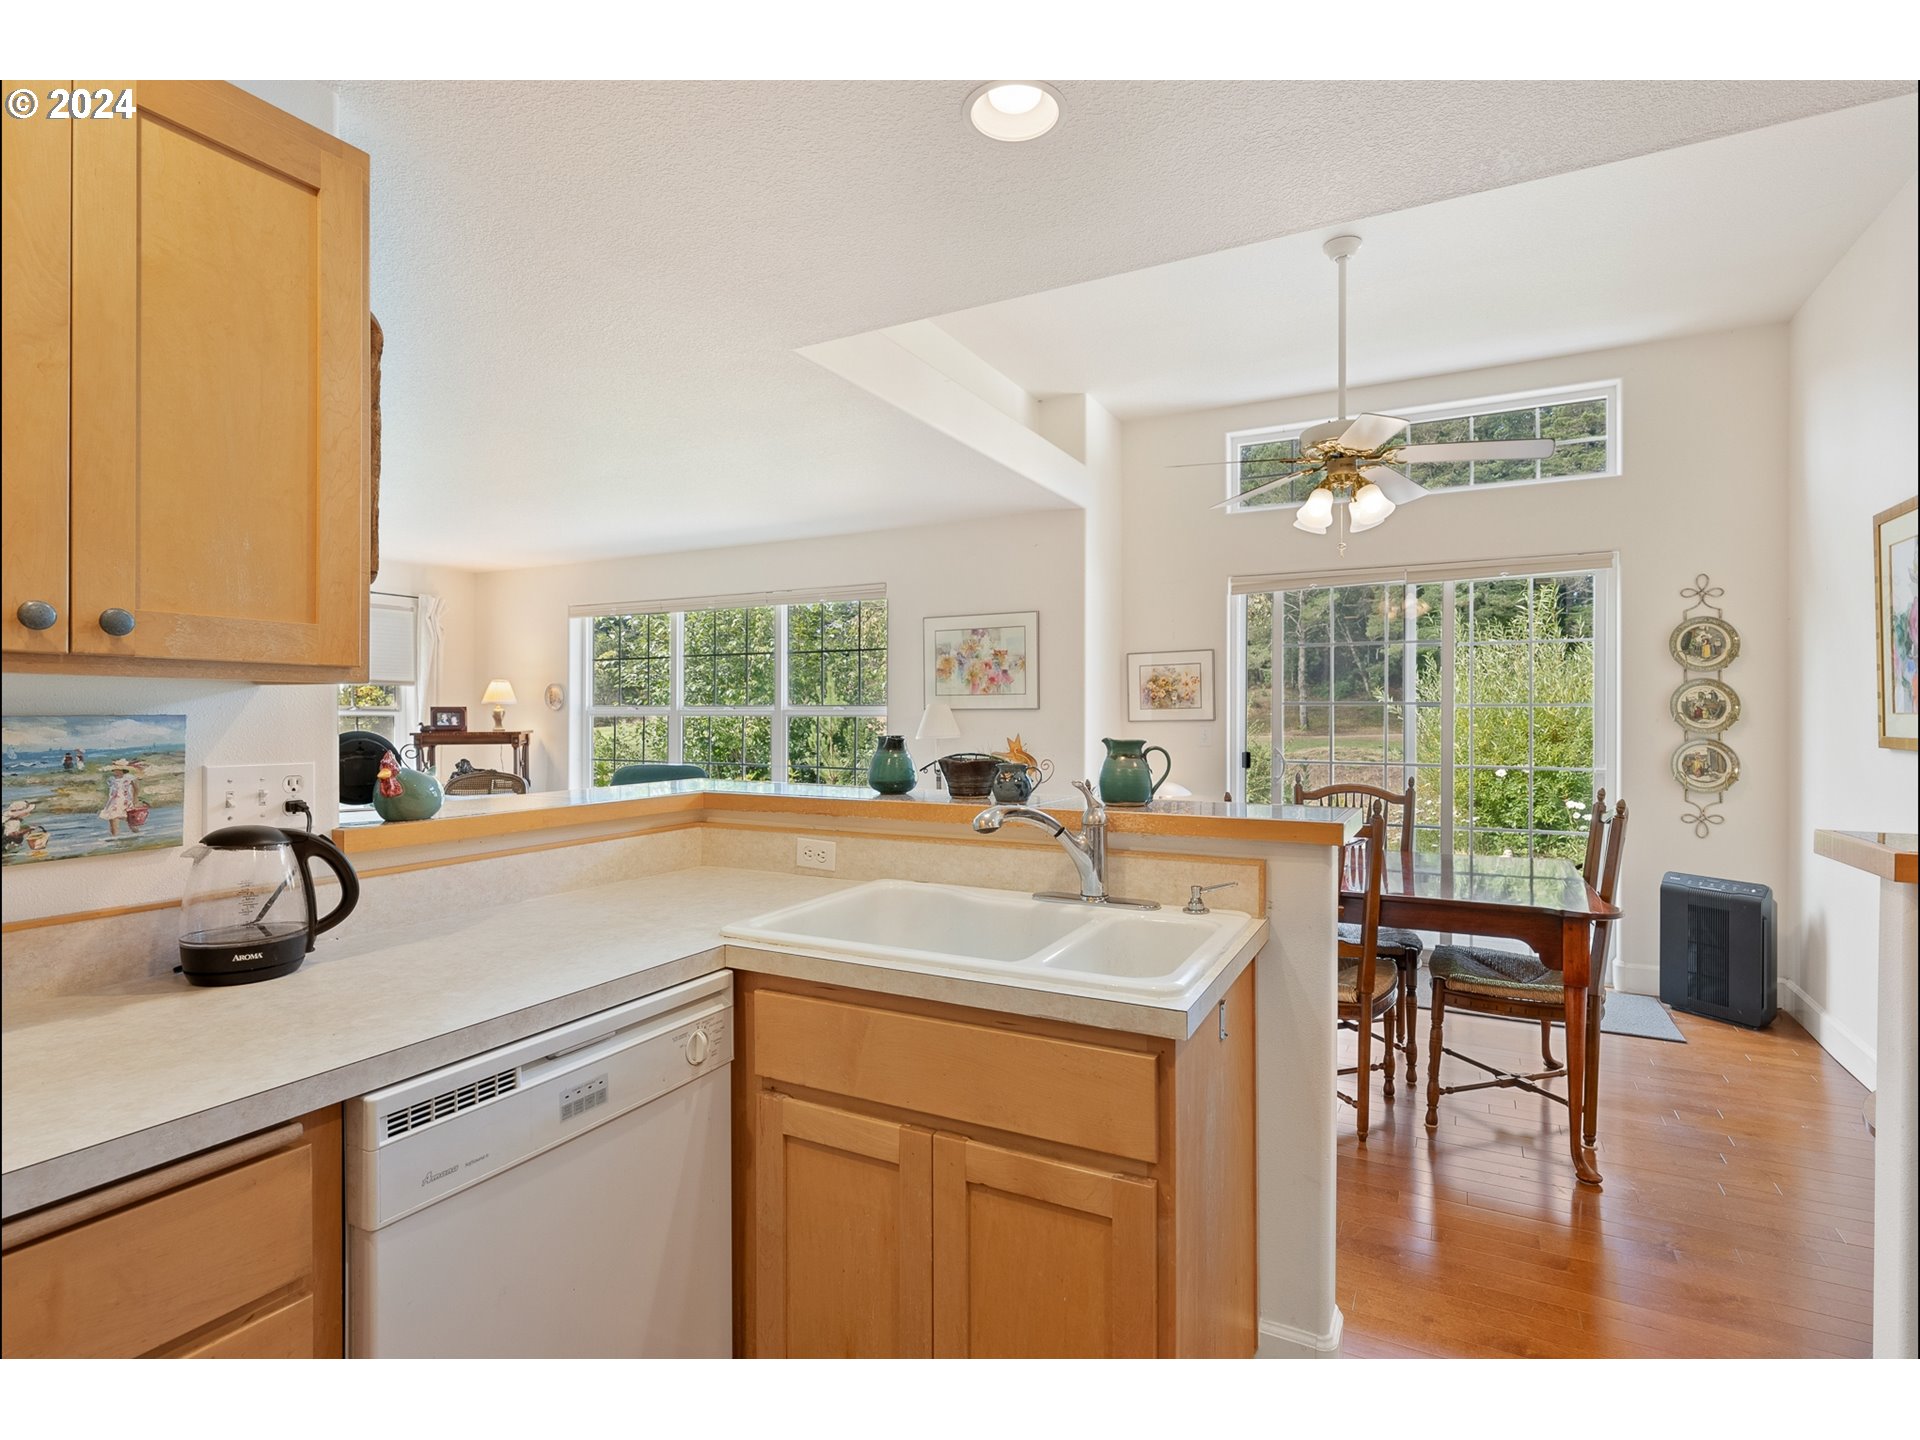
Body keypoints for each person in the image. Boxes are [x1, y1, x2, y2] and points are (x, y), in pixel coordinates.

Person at [99, 760, 143, 837]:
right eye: (115, 769)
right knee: (113, 819)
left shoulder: (129, 777)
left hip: (126, 801)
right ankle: (115, 838)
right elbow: (112, 791)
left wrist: (135, 799)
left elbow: (136, 788)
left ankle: (138, 835)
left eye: (117, 769)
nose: (115, 771)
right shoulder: (111, 779)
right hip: (114, 802)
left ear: (123, 770)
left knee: (131, 821)